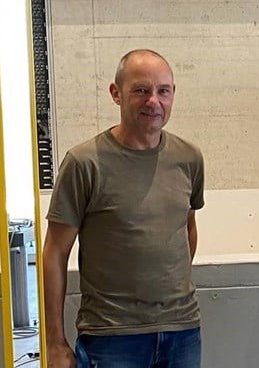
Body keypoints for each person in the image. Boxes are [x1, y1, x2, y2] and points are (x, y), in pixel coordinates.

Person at [43, 49, 205, 368]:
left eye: (163, 91)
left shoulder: (189, 158)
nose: (153, 101)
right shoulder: (84, 163)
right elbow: (54, 253)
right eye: (141, 90)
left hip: (182, 332)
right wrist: (54, 342)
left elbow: (186, 227)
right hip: (111, 337)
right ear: (116, 94)